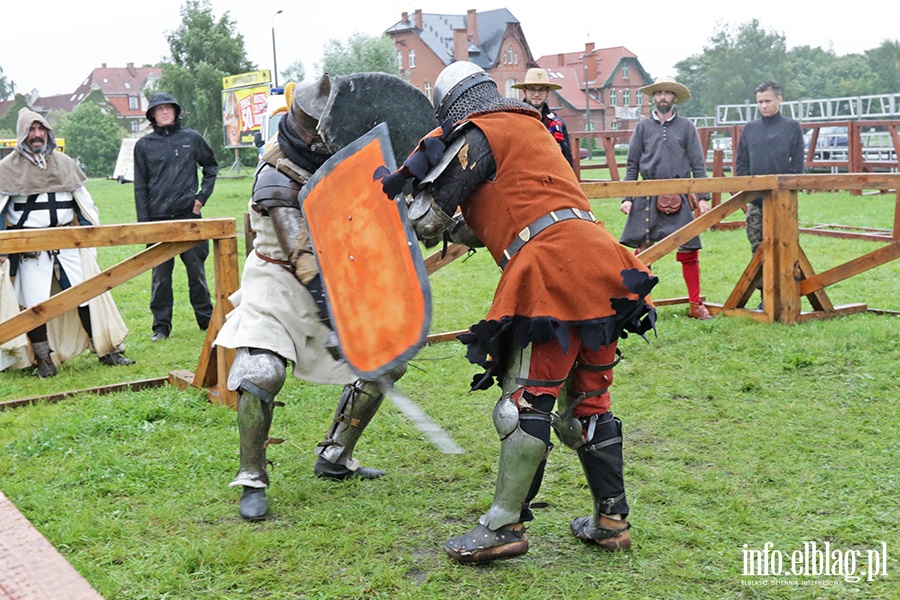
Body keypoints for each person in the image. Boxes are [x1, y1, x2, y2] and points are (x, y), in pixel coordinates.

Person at [378, 61, 658, 563]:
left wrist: (395, 199)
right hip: (600, 261)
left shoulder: (478, 134)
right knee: (588, 403)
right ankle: (611, 520)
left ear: (452, 105)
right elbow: (512, 208)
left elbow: (425, 220)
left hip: (551, 268)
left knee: (525, 404)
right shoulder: (531, 126)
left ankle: (503, 527)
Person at [214, 76, 406, 522]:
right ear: (305, 127)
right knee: (260, 371)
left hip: (337, 277)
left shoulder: (343, 162)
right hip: (276, 282)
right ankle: (252, 477)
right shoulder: (275, 173)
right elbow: (300, 255)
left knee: (387, 359)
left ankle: (336, 455)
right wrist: (337, 317)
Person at [0, 108, 134, 377]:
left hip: (69, 245)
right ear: (22, 134)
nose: (37, 135)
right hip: (30, 250)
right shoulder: (6, 170)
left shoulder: (64, 163)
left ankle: (107, 350)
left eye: (41, 129)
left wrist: (87, 237)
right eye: (31, 130)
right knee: (35, 304)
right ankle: (43, 359)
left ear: (48, 133)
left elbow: (85, 206)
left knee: (87, 295)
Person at [619, 76, 714, 320]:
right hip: (647, 196)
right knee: (644, 252)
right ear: (653, 97)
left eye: (667, 93)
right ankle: (641, 306)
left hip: (680, 195)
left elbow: (697, 163)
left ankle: (695, 304)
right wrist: (628, 197)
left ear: (674, 98)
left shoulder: (686, 127)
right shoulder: (642, 127)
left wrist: (702, 197)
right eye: (659, 93)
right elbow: (632, 164)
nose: (663, 97)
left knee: (689, 250)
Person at [133, 92, 218, 342]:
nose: (165, 112)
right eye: (159, 109)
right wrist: (145, 226)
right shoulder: (144, 145)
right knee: (160, 278)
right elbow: (140, 187)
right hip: (158, 220)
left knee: (197, 274)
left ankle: (206, 321)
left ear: (176, 111)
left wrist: (202, 196)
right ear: (152, 115)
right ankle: (160, 327)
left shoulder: (191, 139)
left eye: (169, 108)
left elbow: (211, 167)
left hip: (188, 217)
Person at [735, 80, 805, 257]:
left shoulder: (791, 127)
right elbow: (742, 162)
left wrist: (787, 187)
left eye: (768, 101)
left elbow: (797, 164)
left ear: (779, 100)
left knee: (785, 245)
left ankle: (785, 284)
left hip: (783, 199)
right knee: (757, 247)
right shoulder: (750, 129)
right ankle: (761, 285)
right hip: (756, 199)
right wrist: (748, 188)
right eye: (760, 102)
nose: (764, 106)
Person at [512, 68, 574, 167]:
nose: (536, 94)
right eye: (532, 89)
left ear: (547, 92)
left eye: (541, 89)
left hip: (552, 176)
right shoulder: (514, 120)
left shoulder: (557, 123)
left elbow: (567, 158)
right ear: (524, 91)